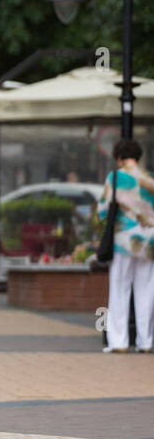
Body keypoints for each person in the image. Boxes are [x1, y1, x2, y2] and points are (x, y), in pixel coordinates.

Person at [98, 138, 154, 353]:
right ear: (137, 156)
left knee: (119, 289)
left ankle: (119, 342)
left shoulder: (115, 177)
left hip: (123, 241)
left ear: (119, 157)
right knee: (146, 290)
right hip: (149, 239)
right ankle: (145, 341)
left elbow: (103, 210)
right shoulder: (149, 178)